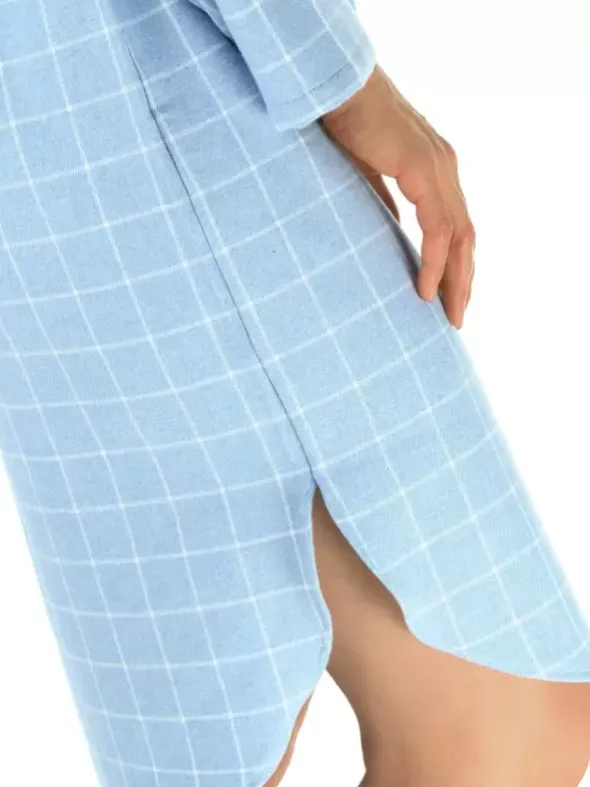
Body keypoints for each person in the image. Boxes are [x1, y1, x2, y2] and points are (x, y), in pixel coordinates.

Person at [0, 1, 589, 786]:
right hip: (165, 119)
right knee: (498, 725)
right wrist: (347, 86)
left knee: (483, 727)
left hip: (70, 155)